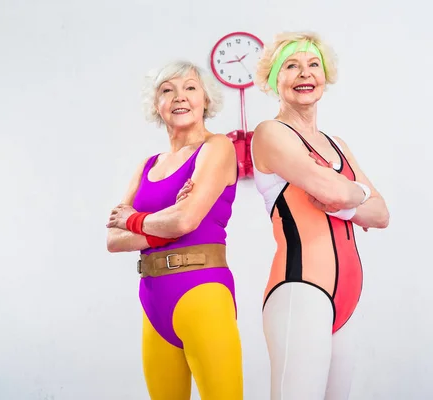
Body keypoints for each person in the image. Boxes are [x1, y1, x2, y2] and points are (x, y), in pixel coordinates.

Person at [249, 32, 390, 399]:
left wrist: (350, 199)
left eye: (313, 65)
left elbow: (381, 213)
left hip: (347, 296)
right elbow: (334, 191)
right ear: (273, 79)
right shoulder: (270, 133)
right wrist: (356, 197)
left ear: (325, 75)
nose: (304, 74)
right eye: (291, 66)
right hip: (301, 290)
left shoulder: (337, 144)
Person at [105, 60, 244, 399]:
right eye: (168, 90)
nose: (180, 97)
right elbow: (113, 239)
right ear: (157, 105)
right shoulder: (147, 165)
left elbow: (184, 221)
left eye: (190, 88)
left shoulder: (217, 148)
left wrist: (135, 219)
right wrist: (167, 221)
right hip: (153, 300)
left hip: (202, 292)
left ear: (206, 100)